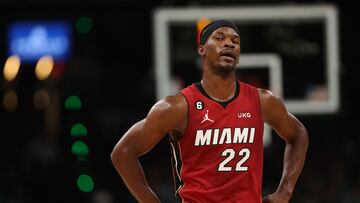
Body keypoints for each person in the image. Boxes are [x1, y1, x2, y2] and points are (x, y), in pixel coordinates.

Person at [110, 19, 308, 203]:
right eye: (220, 38)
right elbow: (123, 152)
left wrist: (285, 190)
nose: (229, 44)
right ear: (202, 49)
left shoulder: (262, 101)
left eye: (235, 41)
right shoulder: (177, 107)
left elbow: (298, 133)